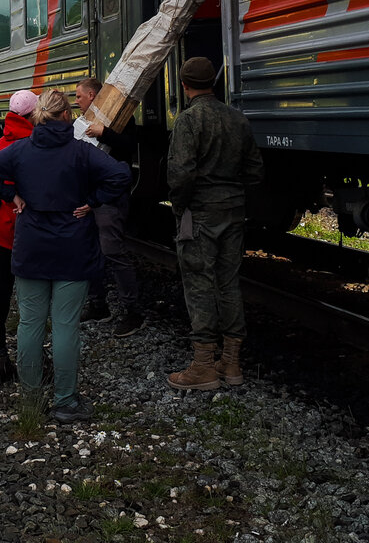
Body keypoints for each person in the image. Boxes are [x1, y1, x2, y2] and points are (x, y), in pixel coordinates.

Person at [0, 90, 131, 422]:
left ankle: (30, 398)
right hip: (72, 248)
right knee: (65, 324)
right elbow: (121, 174)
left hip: (31, 246)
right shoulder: (81, 152)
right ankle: (65, 401)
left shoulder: (20, 150)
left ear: (37, 117)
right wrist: (94, 200)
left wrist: (10, 195)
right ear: (67, 116)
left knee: (30, 322)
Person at [165, 57, 264, 391]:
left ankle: (204, 366)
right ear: (213, 83)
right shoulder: (238, 119)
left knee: (199, 283)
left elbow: (181, 174)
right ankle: (232, 363)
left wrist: (181, 209)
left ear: (184, 85)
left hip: (201, 213)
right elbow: (255, 172)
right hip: (233, 211)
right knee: (228, 282)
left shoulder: (188, 121)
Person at [74, 77, 142, 336]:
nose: (77, 101)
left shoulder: (121, 117)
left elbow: (129, 148)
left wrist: (105, 133)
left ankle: (133, 312)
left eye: (79, 96)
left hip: (110, 198)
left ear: (92, 95)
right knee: (92, 249)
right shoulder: (82, 122)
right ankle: (98, 304)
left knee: (112, 250)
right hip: (91, 196)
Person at [0, 88, 38, 384]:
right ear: (32, 115)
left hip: (4, 230)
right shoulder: (35, 145)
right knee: (34, 295)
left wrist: (7, 195)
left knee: (1, 290)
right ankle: (34, 358)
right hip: (32, 231)